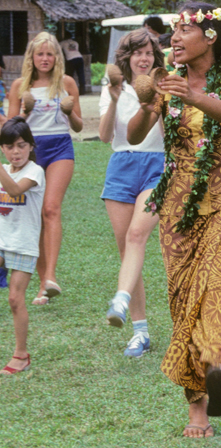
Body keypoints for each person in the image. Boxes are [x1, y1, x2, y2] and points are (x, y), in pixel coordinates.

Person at [127, 3, 221, 438]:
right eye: (174, 32)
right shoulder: (167, 82)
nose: (174, 39)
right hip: (178, 204)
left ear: (210, 37)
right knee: (183, 301)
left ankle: (217, 362)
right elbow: (134, 135)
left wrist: (192, 95)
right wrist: (149, 104)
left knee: (220, 281)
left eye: (184, 30)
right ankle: (197, 407)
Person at [99, 29, 166, 358]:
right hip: (121, 166)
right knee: (127, 248)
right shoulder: (114, 87)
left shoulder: (163, 86)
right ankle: (140, 333)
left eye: (149, 53)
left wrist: (161, 101)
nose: (144, 58)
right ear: (127, 57)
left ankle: (120, 299)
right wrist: (113, 99)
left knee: (137, 234)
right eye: (138, 52)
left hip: (157, 166)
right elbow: (103, 136)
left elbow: (170, 135)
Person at [7, 32, 83, 305]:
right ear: (32, 57)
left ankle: (50, 277)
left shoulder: (67, 83)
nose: (45, 59)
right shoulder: (20, 86)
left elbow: (78, 127)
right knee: (36, 215)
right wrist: (24, 113)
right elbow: (11, 129)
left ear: (57, 58)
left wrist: (69, 112)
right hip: (32, 150)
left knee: (51, 208)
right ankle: (42, 285)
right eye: (40, 54)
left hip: (60, 147)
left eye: (50, 54)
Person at [0, 118, 46, 374]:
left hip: (23, 244)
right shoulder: (5, 169)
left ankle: (21, 355)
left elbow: (15, 190)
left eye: (21, 145)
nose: (15, 152)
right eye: (9, 147)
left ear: (30, 146)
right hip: (2, 240)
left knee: (15, 299)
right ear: (2, 149)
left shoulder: (34, 171)